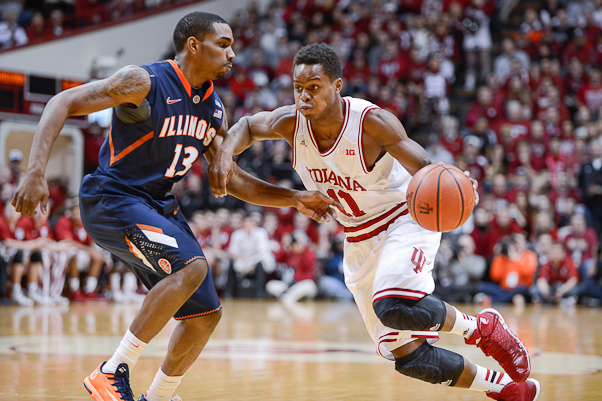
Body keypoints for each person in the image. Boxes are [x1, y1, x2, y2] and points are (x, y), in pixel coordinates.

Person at [11, 12, 338, 401]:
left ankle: (160, 395)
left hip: (157, 205)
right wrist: (34, 172)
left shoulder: (214, 109)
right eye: (224, 44)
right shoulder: (143, 81)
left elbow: (230, 180)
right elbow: (63, 100)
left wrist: (295, 198)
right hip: (112, 196)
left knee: (205, 314)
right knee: (193, 266)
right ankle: (112, 370)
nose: (233, 54)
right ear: (194, 45)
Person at [209, 43, 539, 400]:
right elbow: (245, 125)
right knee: (411, 357)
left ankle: (481, 328)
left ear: (336, 86)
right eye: (298, 87)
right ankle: (505, 390)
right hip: (358, 237)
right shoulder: (291, 123)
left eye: (314, 87)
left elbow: (427, 171)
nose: (304, 96)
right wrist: (225, 153)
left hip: (403, 219)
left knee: (392, 304)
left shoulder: (371, 123)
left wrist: (459, 182)